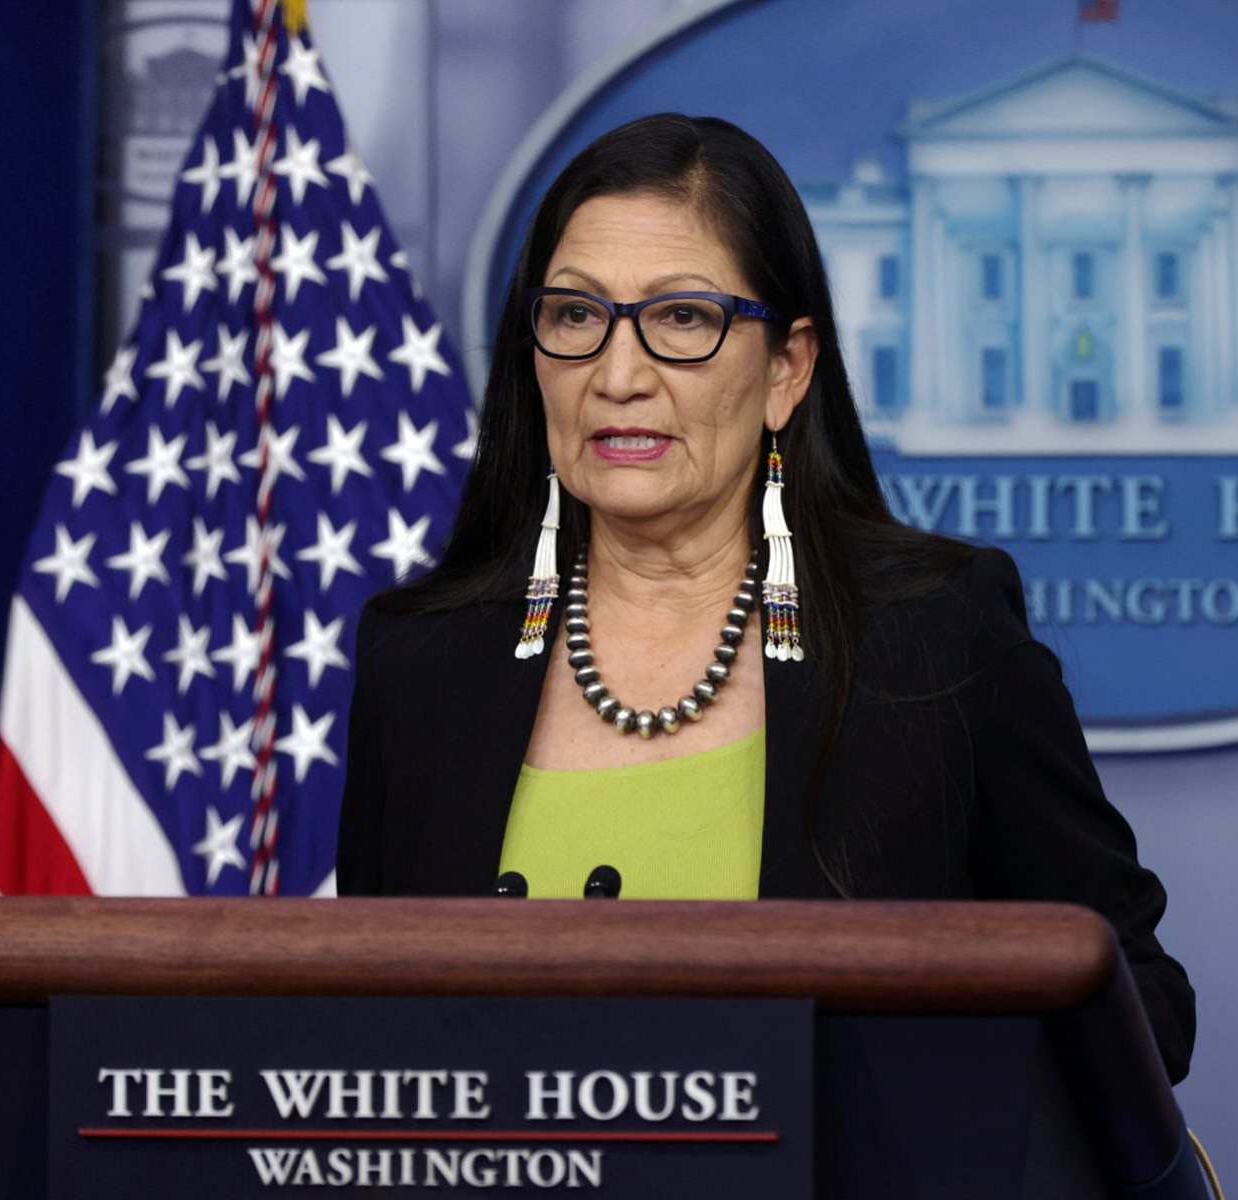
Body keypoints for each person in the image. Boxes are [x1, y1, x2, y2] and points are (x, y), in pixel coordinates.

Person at [336, 113, 1194, 1082]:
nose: (618, 377)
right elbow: (371, 1043)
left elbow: (1137, 1003)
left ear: (785, 370)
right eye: (575, 315)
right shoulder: (419, 657)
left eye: (682, 319)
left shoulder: (937, 639)